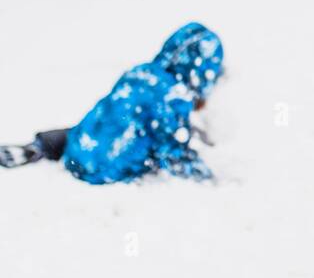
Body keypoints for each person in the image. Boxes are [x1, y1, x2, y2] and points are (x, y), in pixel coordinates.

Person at [0, 22, 223, 183]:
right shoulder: (174, 96)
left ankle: (41, 146)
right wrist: (210, 178)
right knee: (149, 151)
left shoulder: (141, 72)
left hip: (77, 147)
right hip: (98, 169)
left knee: (90, 128)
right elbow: (173, 152)